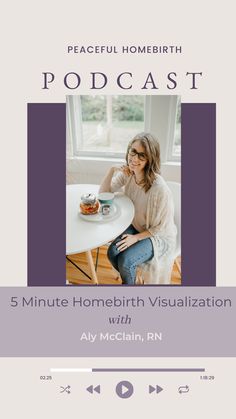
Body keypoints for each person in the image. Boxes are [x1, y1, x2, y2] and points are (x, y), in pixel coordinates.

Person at [99, 132, 177, 285]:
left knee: (126, 261)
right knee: (112, 252)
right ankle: (132, 279)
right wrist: (112, 170)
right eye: (133, 151)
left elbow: (160, 228)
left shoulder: (159, 189)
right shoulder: (129, 174)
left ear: (150, 159)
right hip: (136, 225)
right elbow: (103, 194)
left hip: (157, 236)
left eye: (142, 155)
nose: (134, 159)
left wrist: (135, 238)